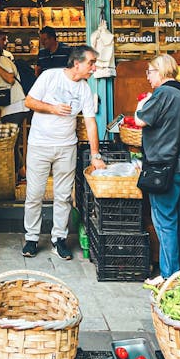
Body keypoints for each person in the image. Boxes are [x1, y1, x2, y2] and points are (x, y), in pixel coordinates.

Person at [22, 45, 104, 260]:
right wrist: (52, 108)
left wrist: (96, 155)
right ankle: (31, 238)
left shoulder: (85, 89)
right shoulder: (50, 76)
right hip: (40, 145)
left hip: (67, 146)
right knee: (34, 194)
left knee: (64, 196)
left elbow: (91, 123)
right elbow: (29, 101)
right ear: (77, 63)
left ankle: (59, 239)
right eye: (91, 63)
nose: (93, 68)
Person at [134, 53, 180, 280]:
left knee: (165, 223)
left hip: (165, 168)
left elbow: (141, 120)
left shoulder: (162, 93)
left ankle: (169, 276)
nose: (148, 77)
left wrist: (141, 104)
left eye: (150, 72)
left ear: (160, 72)